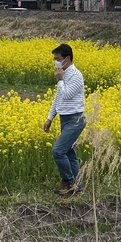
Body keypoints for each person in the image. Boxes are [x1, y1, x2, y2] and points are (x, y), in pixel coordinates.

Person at [42, 43, 86, 196]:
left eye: (58, 59)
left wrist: (60, 80)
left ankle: (69, 182)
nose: (56, 62)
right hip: (65, 119)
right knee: (69, 153)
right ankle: (78, 187)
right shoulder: (64, 74)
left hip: (75, 119)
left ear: (67, 58)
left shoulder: (76, 76)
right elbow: (58, 98)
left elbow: (67, 94)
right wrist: (50, 118)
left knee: (58, 151)